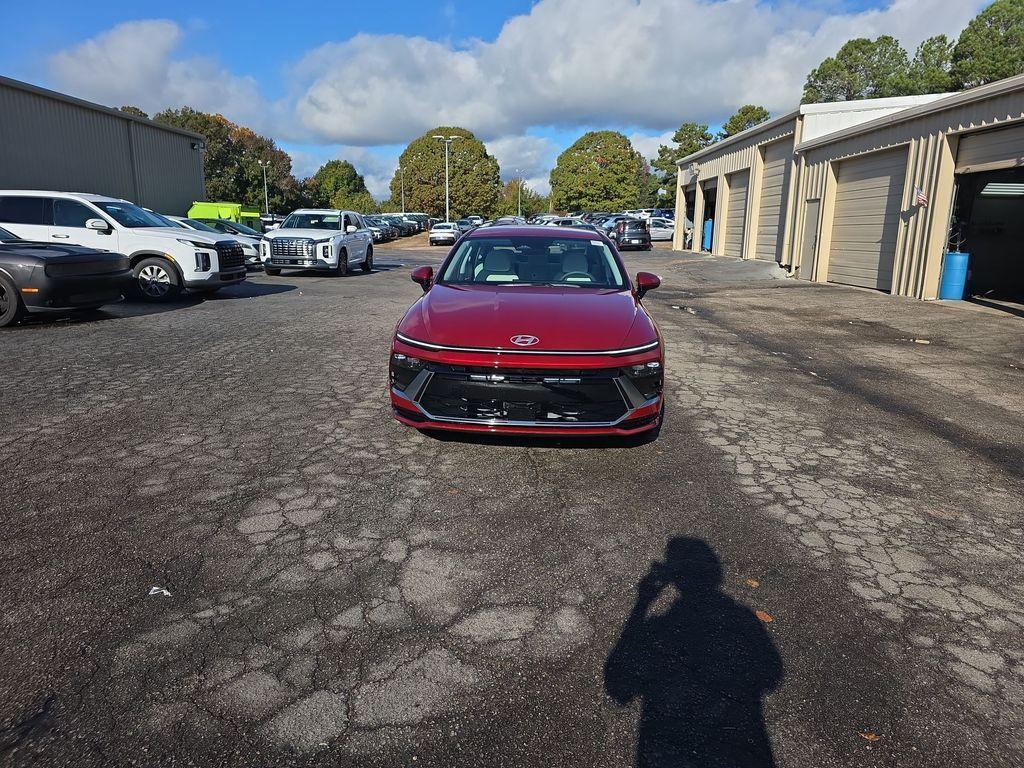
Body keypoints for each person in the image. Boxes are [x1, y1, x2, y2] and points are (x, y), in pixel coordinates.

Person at [605, 538, 783, 768]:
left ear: (675, 579)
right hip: (738, 748)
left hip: (669, 750)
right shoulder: (743, 618)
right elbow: (771, 673)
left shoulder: (658, 629)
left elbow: (618, 686)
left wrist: (642, 602)